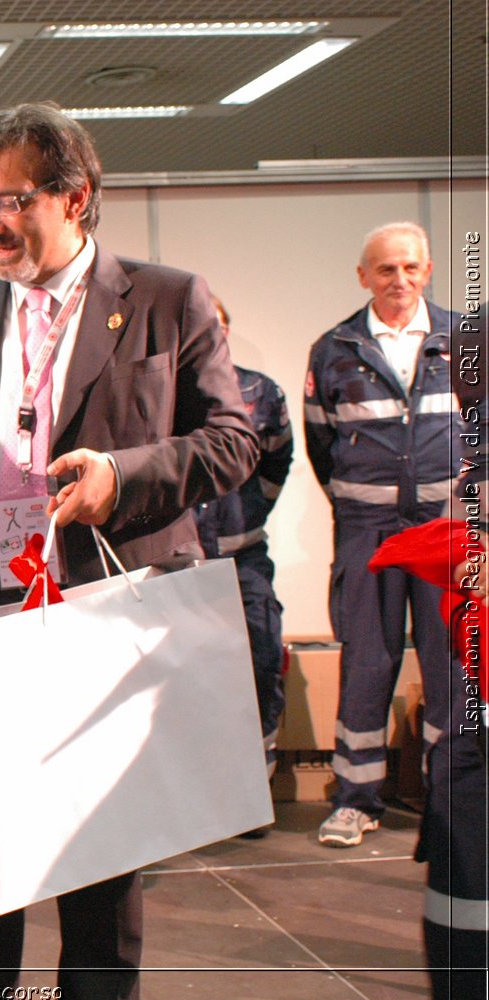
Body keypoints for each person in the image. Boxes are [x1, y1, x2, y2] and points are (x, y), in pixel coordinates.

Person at [0, 103, 257, 1000]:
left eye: (14, 199)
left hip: (103, 615)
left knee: (101, 870)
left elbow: (233, 442)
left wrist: (124, 473)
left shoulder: (164, 298)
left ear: (78, 196)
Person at [304, 221, 464, 847]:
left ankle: (450, 799)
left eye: (411, 268)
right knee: (367, 663)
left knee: (453, 664)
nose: (400, 280)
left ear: (427, 271)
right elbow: (321, 443)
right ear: (363, 276)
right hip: (367, 532)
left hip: (448, 531)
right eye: (386, 269)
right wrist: (361, 504)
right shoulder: (334, 348)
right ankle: (356, 800)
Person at [192, 298, 293, 795]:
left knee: (259, 660)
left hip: (244, 559)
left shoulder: (262, 393)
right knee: (182, 679)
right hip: (178, 566)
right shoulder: (164, 391)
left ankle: (252, 787)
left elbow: (279, 463)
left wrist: (249, 515)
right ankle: (194, 794)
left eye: (219, 327)